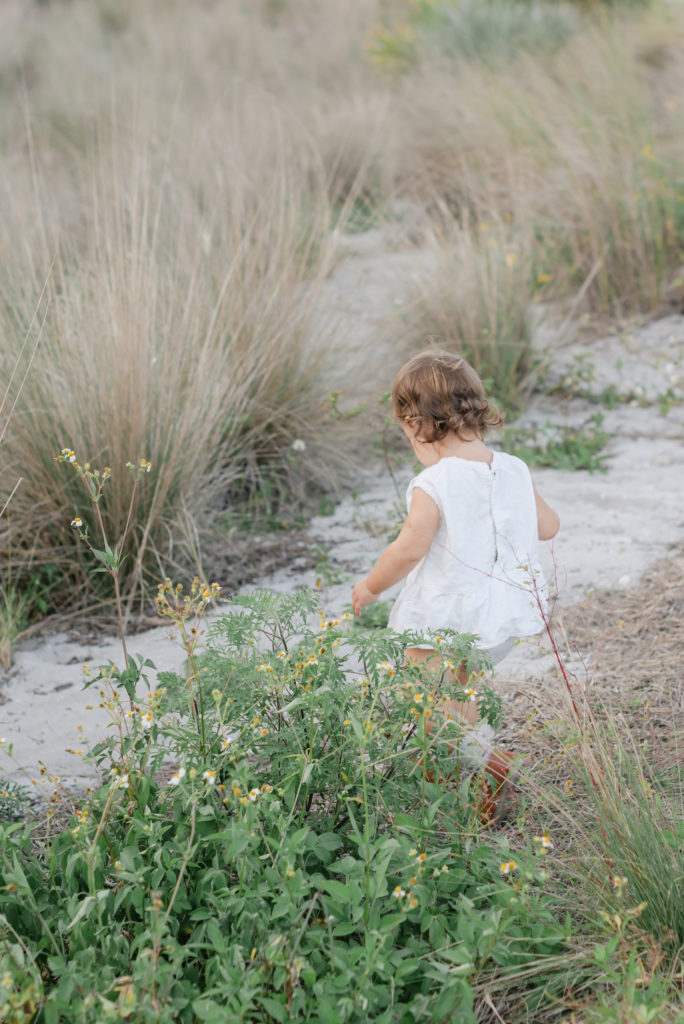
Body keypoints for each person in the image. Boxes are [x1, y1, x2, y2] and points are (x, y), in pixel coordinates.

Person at [351, 349, 560, 822]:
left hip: (445, 619)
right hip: (500, 621)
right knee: (462, 694)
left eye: (407, 432)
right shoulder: (513, 468)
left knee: (430, 702)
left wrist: (371, 586)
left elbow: (408, 549)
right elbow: (548, 526)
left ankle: (473, 773)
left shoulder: (435, 481)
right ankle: (472, 778)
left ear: (418, 424)